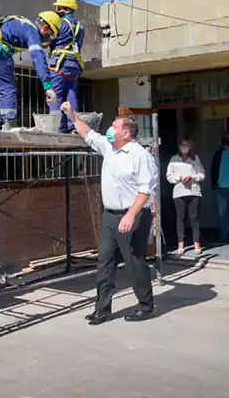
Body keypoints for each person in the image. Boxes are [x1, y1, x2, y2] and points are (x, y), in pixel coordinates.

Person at [62, 102, 159, 324]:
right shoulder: (109, 147)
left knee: (134, 261)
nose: (109, 129)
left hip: (133, 215)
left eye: (114, 126)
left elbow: (146, 190)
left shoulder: (139, 155)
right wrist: (72, 115)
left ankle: (146, 306)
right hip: (110, 216)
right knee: (105, 262)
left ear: (126, 133)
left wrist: (130, 214)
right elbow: (88, 134)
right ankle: (102, 309)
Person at [47, 0, 84, 133]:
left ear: (67, 9)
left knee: (54, 95)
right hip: (74, 64)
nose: (56, 10)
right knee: (71, 95)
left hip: (59, 63)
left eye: (59, 8)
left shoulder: (60, 23)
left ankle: (55, 127)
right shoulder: (80, 26)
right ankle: (73, 126)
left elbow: (50, 41)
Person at [166, 136, 205, 256]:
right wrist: (179, 178)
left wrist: (192, 177)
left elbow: (202, 175)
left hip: (194, 191)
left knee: (194, 218)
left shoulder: (195, 158)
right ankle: (180, 245)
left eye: (187, 146)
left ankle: (197, 244)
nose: (184, 148)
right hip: (179, 192)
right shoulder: (174, 159)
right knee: (180, 219)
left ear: (190, 147)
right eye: (182, 145)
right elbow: (169, 176)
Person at [211, 132, 229, 244]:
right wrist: (214, 184)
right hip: (220, 188)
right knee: (222, 214)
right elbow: (213, 169)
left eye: (228, 138)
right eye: (225, 138)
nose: (226, 140)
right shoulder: (218, 154)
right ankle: (223, 237)